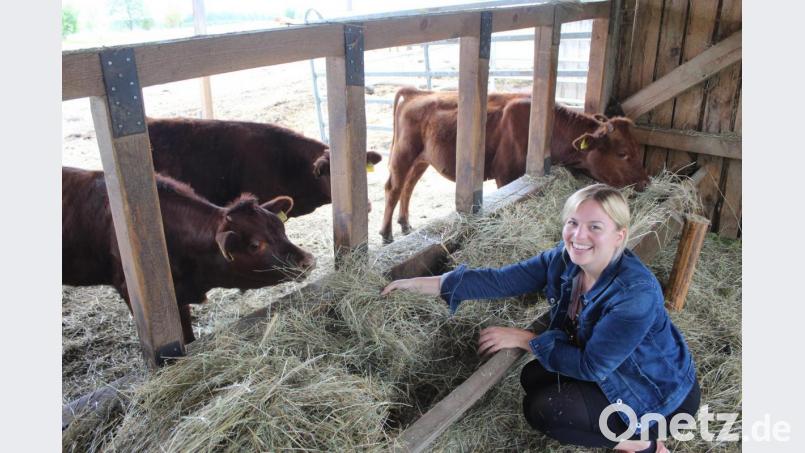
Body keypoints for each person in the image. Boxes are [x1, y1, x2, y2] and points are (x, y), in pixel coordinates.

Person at [381, 184, 700, 453]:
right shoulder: (564, 260)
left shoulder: (634, 295)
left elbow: (592, 366)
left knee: (546, 410)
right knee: (534, 377)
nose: (579, 235)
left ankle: (644, 443)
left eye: (595, 227)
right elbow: (501, 280)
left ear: (619, 235)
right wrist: (426, 283)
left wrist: (526, 339)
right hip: (615, 376)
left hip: (657, 396)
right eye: (573, 222)